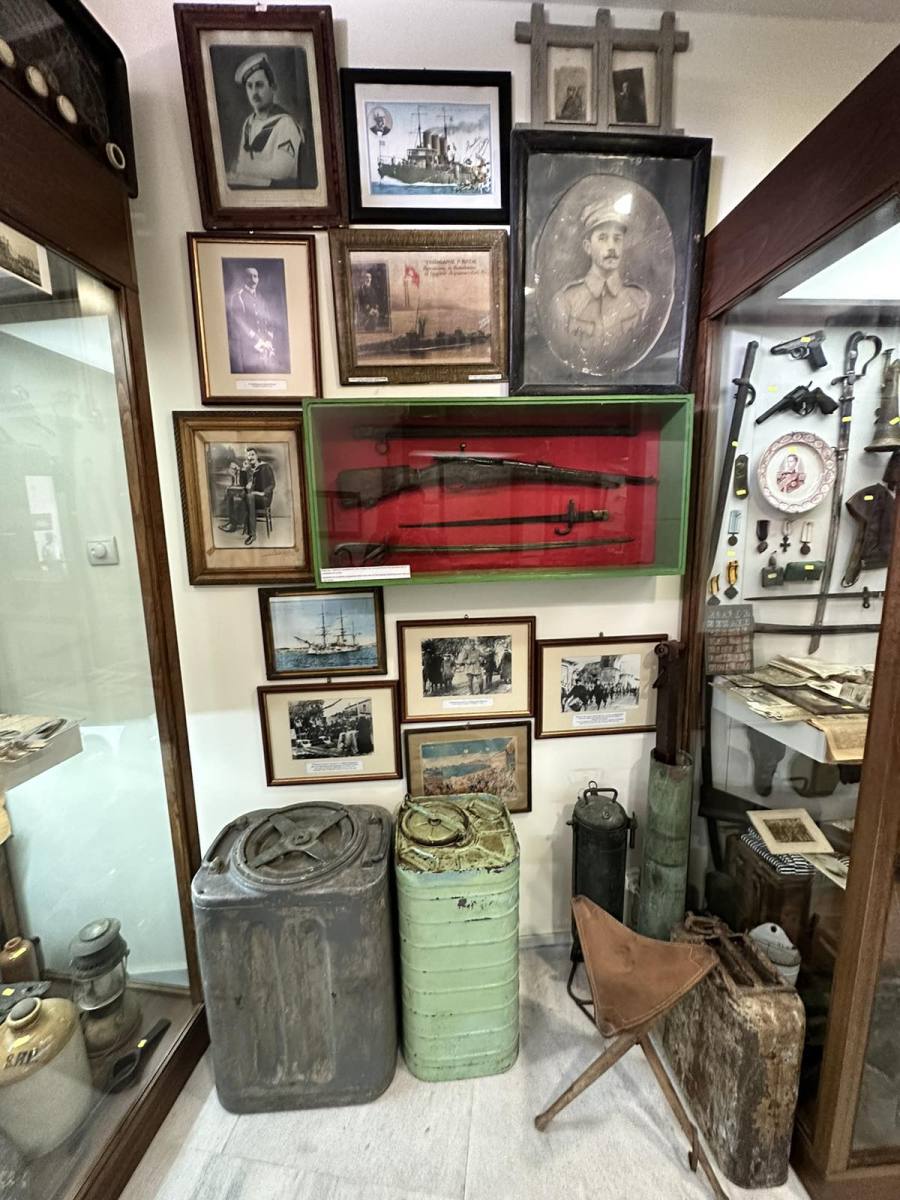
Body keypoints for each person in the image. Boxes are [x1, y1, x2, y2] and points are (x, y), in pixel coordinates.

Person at [550, 195, 650, 365]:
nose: (611, 247)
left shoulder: (641, 300)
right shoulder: (565, 302)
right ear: (588, 247)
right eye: (602, 238)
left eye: (617, 238)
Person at [227, 52, 305, 189]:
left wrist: (244, 167)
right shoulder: (248, 123)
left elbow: (281, 170)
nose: (254, 92)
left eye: (259, 85)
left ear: (273, 88)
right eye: (249, 86)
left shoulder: (285, 123)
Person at [227, 266, 278, 374]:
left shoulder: (260, 298)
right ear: (244, 279)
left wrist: (268, 340)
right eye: (249, 276)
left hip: (265, 348)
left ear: (258, 279)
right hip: (249, 349)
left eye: (255, 276)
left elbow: (269, 322)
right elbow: (239, 324)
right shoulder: (238, 297)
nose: (253, 279)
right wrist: (257, 340)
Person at [241, 447, 276, 546]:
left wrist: (263, 493)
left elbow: (272, 484)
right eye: (248, 455)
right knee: (244, 495)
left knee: (249, 497)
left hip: (264, 498)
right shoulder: (249, 469)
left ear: (257, 456)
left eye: (252, 454)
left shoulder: (265, 467)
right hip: (253, 497)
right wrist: (243, 470)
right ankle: (234, 523)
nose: (250, 457)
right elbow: (243, 485)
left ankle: (252, 535)